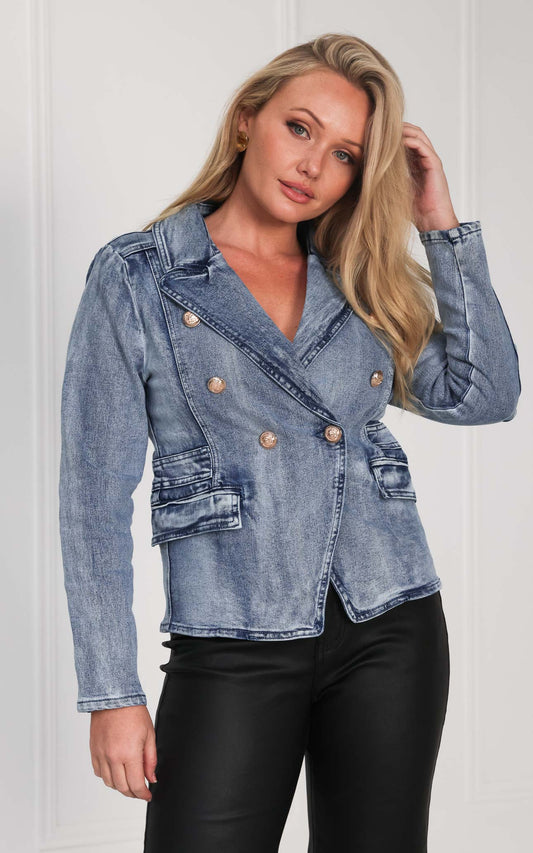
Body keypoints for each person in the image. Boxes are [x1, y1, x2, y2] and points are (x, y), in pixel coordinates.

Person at [58, 32, 521, 853]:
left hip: (389, 623)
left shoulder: (358, 276)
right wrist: (110, 691)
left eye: (345, 154)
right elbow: (93, 499)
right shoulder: (140, 277)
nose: (312, 165)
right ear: (247, 120)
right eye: (299, 128)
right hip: (231, 635)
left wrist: (438, 225)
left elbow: (483, 395)